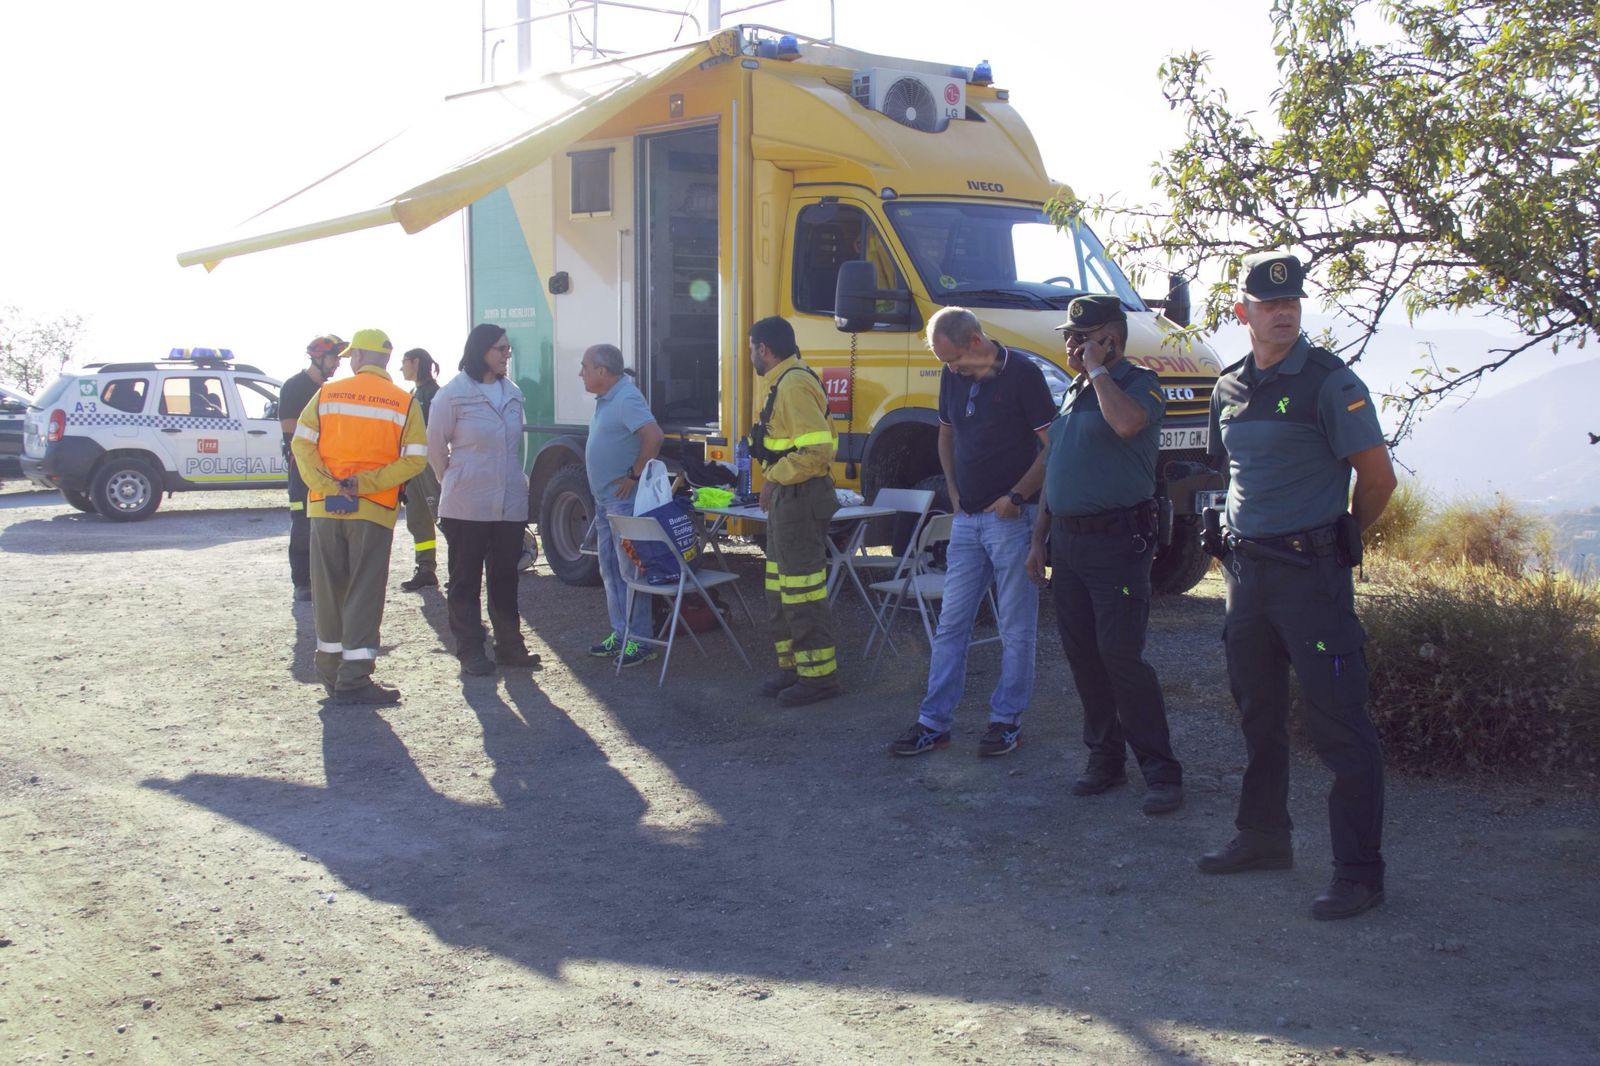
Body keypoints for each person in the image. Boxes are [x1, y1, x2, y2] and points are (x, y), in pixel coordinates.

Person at [1198, 251, 1397, 921]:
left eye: (1292, 302)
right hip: (1247, 576)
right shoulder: (1227, 387)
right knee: (1256, 711)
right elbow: (1233, 475)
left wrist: (1343, 538)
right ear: (1243, 312)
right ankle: (1262, 838)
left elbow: (1377, 480)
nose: (1283, 311)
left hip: (1311, 578)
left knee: (1339, 723)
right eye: (1268, 303)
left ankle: (1359, 872)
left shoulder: (1329, 383)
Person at [1024, 294, 1183, 815]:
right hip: (1068, 542)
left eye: (1079, 336)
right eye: (1069, 335)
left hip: (1118, 542)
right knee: (1084, 657)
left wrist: (1098, 371)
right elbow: (1059, 465)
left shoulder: (1137, 383)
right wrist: (1038, 536)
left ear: (1110, 337)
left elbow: (1127, 425)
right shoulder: (1073, 390)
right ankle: (1105, 759)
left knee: (1120, 655)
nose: (1069, 344)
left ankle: (1160, 770)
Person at [889, 307, 1055, 758]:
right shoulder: (952, 375)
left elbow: (1052, 445)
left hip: (1010, 521)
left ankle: (1006, 722)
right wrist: (953, 490)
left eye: (955, 360)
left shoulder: (1024, 374)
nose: (951, 369)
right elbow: (946, 434)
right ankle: (933, 722)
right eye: (945, 362)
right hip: (967, 521)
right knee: (951, 625)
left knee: (1016, 628)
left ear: (977, 342)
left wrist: (1017, 497)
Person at [289, 329, 426, 704]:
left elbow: (301, 444)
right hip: (373, 509)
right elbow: (415, 459)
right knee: (364, 592)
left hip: (325, 506)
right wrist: (363, 484)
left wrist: (328, 484)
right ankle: (354, 680)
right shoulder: (403, 402)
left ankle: (331, 673)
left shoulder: (327, 394)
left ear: (359, 358)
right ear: (384, 360)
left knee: (328, 591)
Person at [427, 324, 539, 676]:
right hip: (466, 504)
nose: (507, 355)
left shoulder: (513, 393)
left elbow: (515, 447)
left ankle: (510, 646)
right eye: (500, 349)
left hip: (508, 503)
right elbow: (435, 449)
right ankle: (470, 650)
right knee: (465, 579)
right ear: (480, 351)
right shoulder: (452, 395)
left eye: (508, 349)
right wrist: (455, 480)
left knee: (506, 577)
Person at [747, 316, 842, 706]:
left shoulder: (795, 384)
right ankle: (794, 670)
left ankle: (819, 679)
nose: (751, 354)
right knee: (781, 592)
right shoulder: (782, 382)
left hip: (799, 497)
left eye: (752, 347)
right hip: (790, 498)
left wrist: (773, 478)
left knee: (802, 592)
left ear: (764, 349)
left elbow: (818, 452)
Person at [580, 343, 665, 668]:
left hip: (623, 503)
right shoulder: (607, 399)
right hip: (606, 502)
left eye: (585, 367)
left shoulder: (626, 397)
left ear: (602, 371)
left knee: (630, 572)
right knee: (611, 570)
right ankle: (622, 633)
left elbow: (653, 436)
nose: (581, 373)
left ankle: (641, 641)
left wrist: (635, 473)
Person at [278, 334, 344, 602]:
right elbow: (289, 428)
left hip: (328, 467)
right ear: (318, 358)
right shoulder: (294, 386)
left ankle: (326, 578)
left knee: (329, 523)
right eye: (334, 358)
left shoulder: (331, 391)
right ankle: (302, 582)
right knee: (302, 523)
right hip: (301, 469)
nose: (337, 364)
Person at [398, 348, 442, 591]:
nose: (401, 368)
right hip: (411, 465)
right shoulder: (414, 393)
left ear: (415, 362)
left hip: (427, 464)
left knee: (441, 515)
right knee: (417, 518)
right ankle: (425, 568)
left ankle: (461, 566)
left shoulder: (433, 393)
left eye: (403, 362)